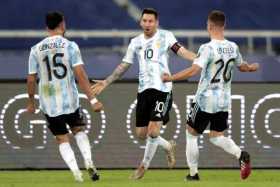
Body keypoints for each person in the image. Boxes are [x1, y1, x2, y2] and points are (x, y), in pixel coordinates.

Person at [91, 8, 196, 180]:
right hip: (144, 91)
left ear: (156, 22)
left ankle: (142, 167)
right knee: (141, 134)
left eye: (150, 21)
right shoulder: (135, 42)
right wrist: (106, 81)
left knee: (153, 130)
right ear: (140, 22)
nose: (147, 24)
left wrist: (197, 58)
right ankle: (168, 146)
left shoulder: (166, 36)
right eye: (144, 21)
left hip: (162, 89)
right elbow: (124, 65)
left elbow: (181, 51)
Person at [162, 10, 259, 181]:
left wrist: (170, 77)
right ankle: (241, 154)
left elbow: (193, 70)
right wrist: (251, 67)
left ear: (210, 26)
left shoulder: (207, 48)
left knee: (191, 133)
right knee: (216, 137)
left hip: (205, 99)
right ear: (224, 26)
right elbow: (242, 66)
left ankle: (193, 174)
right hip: (223, 100)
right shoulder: (233, 47)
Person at [26, 11, 103, 182]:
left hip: (48, 103)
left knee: (61, 138)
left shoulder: (35, 49)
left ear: (46, 27)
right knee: (78, 130)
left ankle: (76, 173)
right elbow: (80, 73)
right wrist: (93, 99)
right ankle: (89, 161)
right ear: (62, 24)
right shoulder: (70, 46)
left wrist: (31, 102)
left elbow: (31, 79)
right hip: (69, 100)